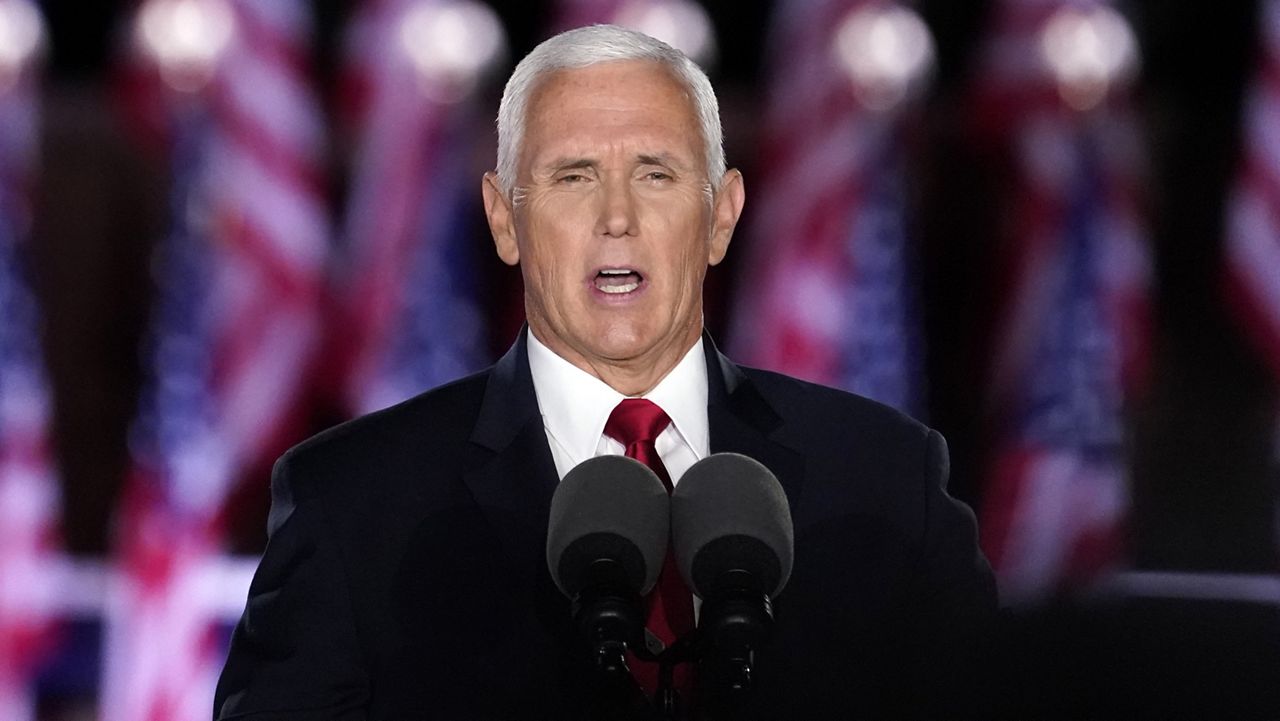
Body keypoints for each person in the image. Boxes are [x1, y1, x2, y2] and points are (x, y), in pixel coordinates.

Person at [214, 24, 996, 720]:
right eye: (573, 176)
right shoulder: (353, 506)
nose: (616, 216)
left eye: (655, 173)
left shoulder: (890, 483)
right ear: (503, 218)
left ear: (721, 216)